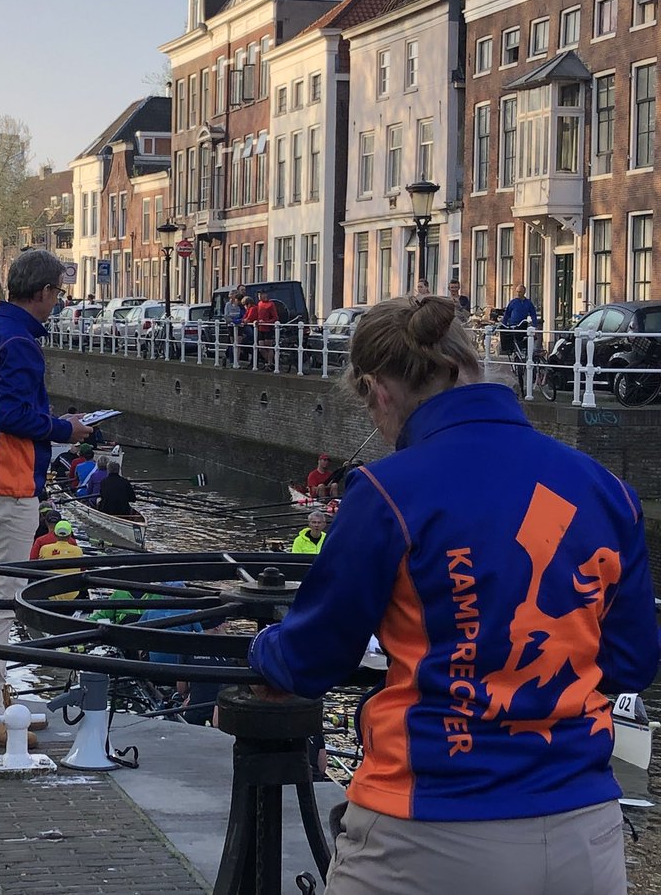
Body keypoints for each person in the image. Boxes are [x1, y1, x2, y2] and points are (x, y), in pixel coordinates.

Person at [246, 296, 658, 895]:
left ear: (377, 390)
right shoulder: (605, 490)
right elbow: (631, 663)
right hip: (582, 828)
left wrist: (263, 650)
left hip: (432, 825)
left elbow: (313, 656)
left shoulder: (390, 490)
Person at [0, 249, 92, 747]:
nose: (59, 301)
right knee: (1, 598)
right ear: (41, 293)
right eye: (58, 292)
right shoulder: (20, 342)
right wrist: (68, 428)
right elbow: (13, 415)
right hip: (9, 481)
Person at [176, 614, 233, 727]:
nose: (228, 625)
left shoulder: (188, 647)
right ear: (218, 627)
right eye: (226, 622)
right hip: (224, 714)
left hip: (194, 714)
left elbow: (181, 689)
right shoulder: (234, 651)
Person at [253, 288, 279, 368]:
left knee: (268, 346)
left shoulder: (270, 304)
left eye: (261, 295)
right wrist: (256, 321)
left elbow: (275, 318)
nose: (259, 297)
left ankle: (270, 363)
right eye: (258, 295)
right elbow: (258, 315)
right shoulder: (259, 304)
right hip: (261, 328)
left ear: (265, 295)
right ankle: (270, 362)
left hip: (268, 328)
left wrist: (266, 322)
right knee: (261, 347)